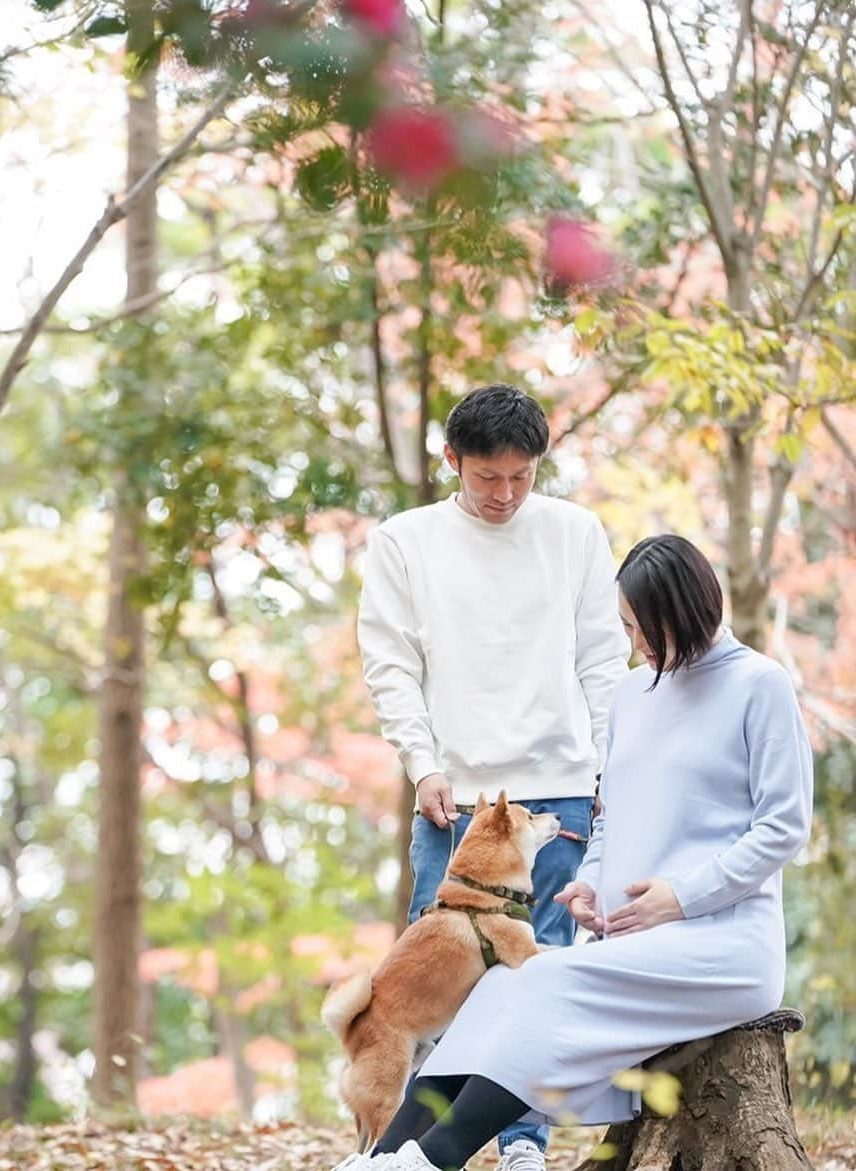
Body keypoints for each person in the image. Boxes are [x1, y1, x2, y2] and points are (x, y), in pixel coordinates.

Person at [345, 534, 813, 1171]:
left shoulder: (759, 685)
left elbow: (784, 826)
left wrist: (683, 898)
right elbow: (611, 817)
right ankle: (385, 1157)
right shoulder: (630, 695)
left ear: (688, 610)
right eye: (626, 628)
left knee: (544, 982)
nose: (635, 645)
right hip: (630, 942)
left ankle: (432, 1161)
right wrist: (589, 885)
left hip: (721, 947)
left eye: (644, 628)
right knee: (497, 992)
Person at [357, 384, 631, 1171]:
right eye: (487, 477)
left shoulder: (575, 532)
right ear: (452, 460)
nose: (505, 493)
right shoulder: (404, 540)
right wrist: (421, 763)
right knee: (432, 984)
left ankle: (522, 1145)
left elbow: (599, 660)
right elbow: (390, 664)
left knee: (539, 974)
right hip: (458, 797)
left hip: (558, 791)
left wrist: (610, 764)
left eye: (521, 476)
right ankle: (402, 1150)